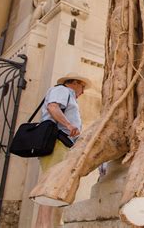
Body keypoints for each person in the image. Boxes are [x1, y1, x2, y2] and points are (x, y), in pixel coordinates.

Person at [36, 72, 91, 228]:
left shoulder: (67, 94)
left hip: (61, 144)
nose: (83, 91)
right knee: (51, 186)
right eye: (82, 87)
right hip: (57, 143)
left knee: (48, 186)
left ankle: (41, 225)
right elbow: (52, 107)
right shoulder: (63, 90)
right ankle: (46, 225)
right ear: (75, 82)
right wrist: (68, 125)